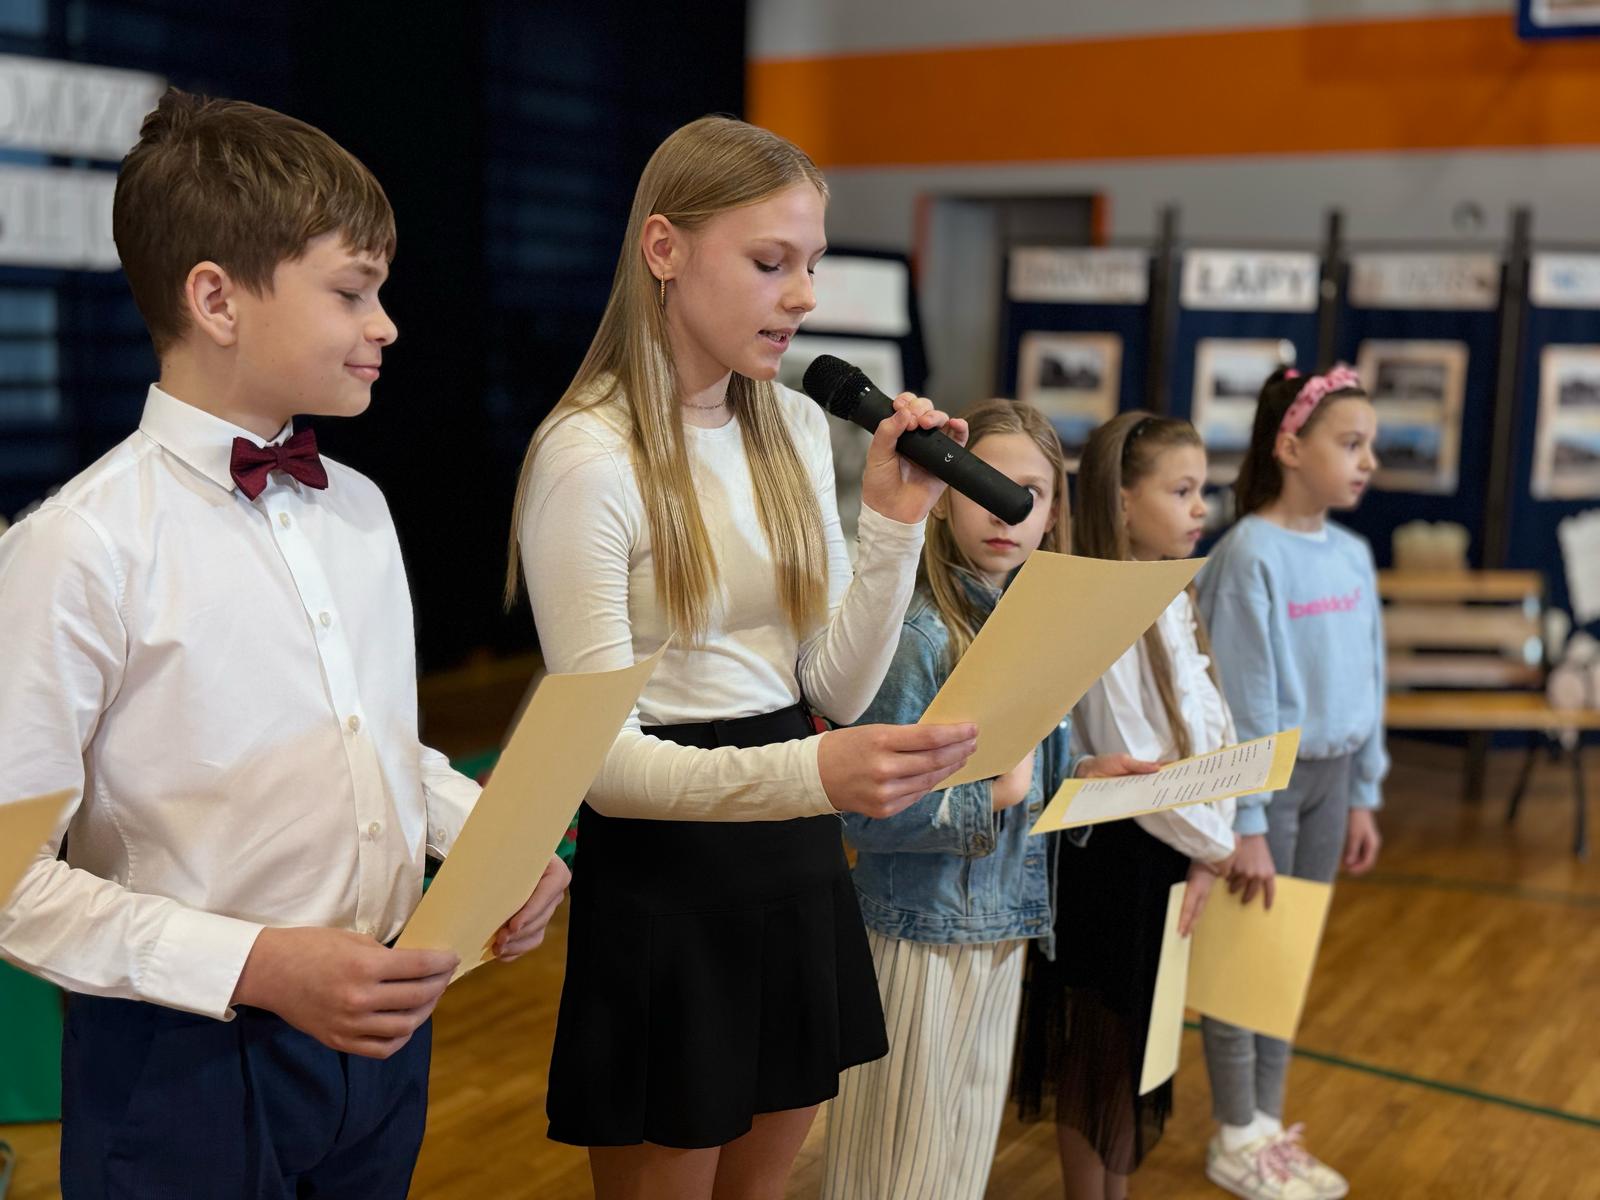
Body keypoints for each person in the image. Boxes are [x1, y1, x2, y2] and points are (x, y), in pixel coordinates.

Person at [0, 89, 569, 1199]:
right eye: (352, 291)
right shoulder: (79, 547)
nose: (386, 324)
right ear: (215, 297)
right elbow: (12, 880)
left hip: (380, 1034)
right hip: (178, 1058)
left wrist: (490, 841)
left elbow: (372, 746)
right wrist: (255, 963)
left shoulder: (358, 507)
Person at [510, 115, 977, 1200]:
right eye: (771, 263)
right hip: (668, 873)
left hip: (794, 855)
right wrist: (813, 772)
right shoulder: (588, 456)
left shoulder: (792, 428)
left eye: (811, 263)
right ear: (663, 249)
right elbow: (602, 767)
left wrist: (895, 522)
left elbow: (832, 687)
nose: (803, 295)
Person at [819, 398, 1156, 1200]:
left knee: (959, 1164)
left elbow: (1023, 787)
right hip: (919, 934)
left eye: (1030, 493)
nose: (1007, 511)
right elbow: (862, 811)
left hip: (1002, 931)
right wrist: (992, 796)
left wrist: (1079, 781)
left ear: (1055, 511)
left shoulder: (1032, 624)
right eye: (983, 485)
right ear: (942, 493)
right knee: (895, 1171)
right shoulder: (918, 633)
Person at [1015, 412, 1238, 1200]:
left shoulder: (1175, 595)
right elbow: (1140, 764)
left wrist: (1212, 841)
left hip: (1171, 848)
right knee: (1100, 1046)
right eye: (1181, 490)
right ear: (1122, 499)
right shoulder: (1099, 607)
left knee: (1140, 1044)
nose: (1201, 507)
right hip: (1116, 858)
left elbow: (1210, 731)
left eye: (1203, 489)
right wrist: (1213, 845)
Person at [1195, 365, 1387, 1200]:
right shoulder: (1248, 554)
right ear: (1291, 447)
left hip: (1333, 782)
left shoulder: (1352, 553)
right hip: (1266, 788)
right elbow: (1245, 698)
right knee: (1246, 959)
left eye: (1371, 445)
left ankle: (1269, 1127)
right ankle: (1235, 1132)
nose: (1368, 461)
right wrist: (1247, 820)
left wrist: (1365, 790)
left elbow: (1371, 678)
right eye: (1351, 443)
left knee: (1288, 956)